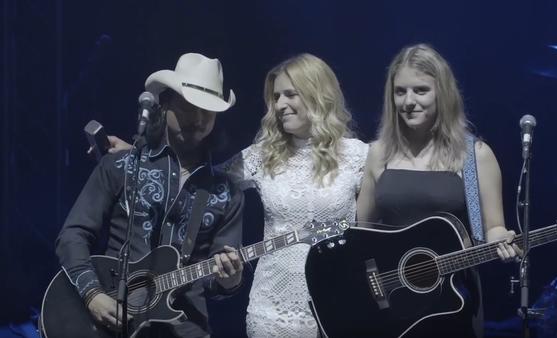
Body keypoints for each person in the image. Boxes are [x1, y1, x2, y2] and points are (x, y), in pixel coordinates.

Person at [107, 53, 369, 337]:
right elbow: (194, 176)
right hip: (273, 311)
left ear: (318, 94)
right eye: (276, 97)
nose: (280, 105)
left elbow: (376, 230)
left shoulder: (359, 156)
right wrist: (139, 156)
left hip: (341, 303)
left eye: (290, 95)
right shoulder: (263, 156)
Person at [56, 53, 245, 338]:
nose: (198, 118)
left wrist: (230, 280)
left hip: (186, 326)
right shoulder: (122, 165)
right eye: (189, 106)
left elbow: (217, 283)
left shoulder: (226, 191)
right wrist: (93, 294)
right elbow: (73, 235)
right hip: (109, 317)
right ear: (165, 104)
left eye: (208, 111)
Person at [356, 43, 522, 337]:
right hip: (390, 303)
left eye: (420, 90)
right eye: (400, 91)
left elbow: (493, 227)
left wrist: (502, 239)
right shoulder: (377, 153)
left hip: (451, 302)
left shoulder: (474, 156)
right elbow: (361, 231)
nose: (408, 101)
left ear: (442, 94)